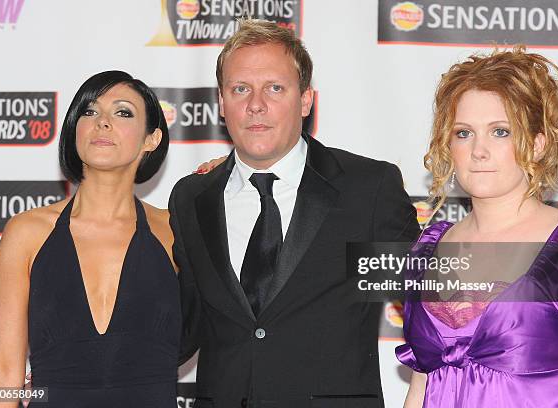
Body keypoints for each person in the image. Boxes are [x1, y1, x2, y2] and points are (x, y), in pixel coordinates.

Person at [169, 18, 420, 407]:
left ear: (305, 100)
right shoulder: (191, 198)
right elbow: (185, 327)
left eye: (274, 87)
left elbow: (435, 300)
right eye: (240, 89)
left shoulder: (366, 189)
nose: (256, 105)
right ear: (221, 102)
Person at [397, 47, 558, 407]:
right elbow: (419, 386)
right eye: (463, 133)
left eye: (500, 132)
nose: (479, 151)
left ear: (537, 144)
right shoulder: (428, 248)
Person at [0, 71, 180, 407]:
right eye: (89, 112)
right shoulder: (26, 233)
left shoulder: (177, 231)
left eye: (123, 112)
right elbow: (3, 373)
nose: (102, 122)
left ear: (151, 139)